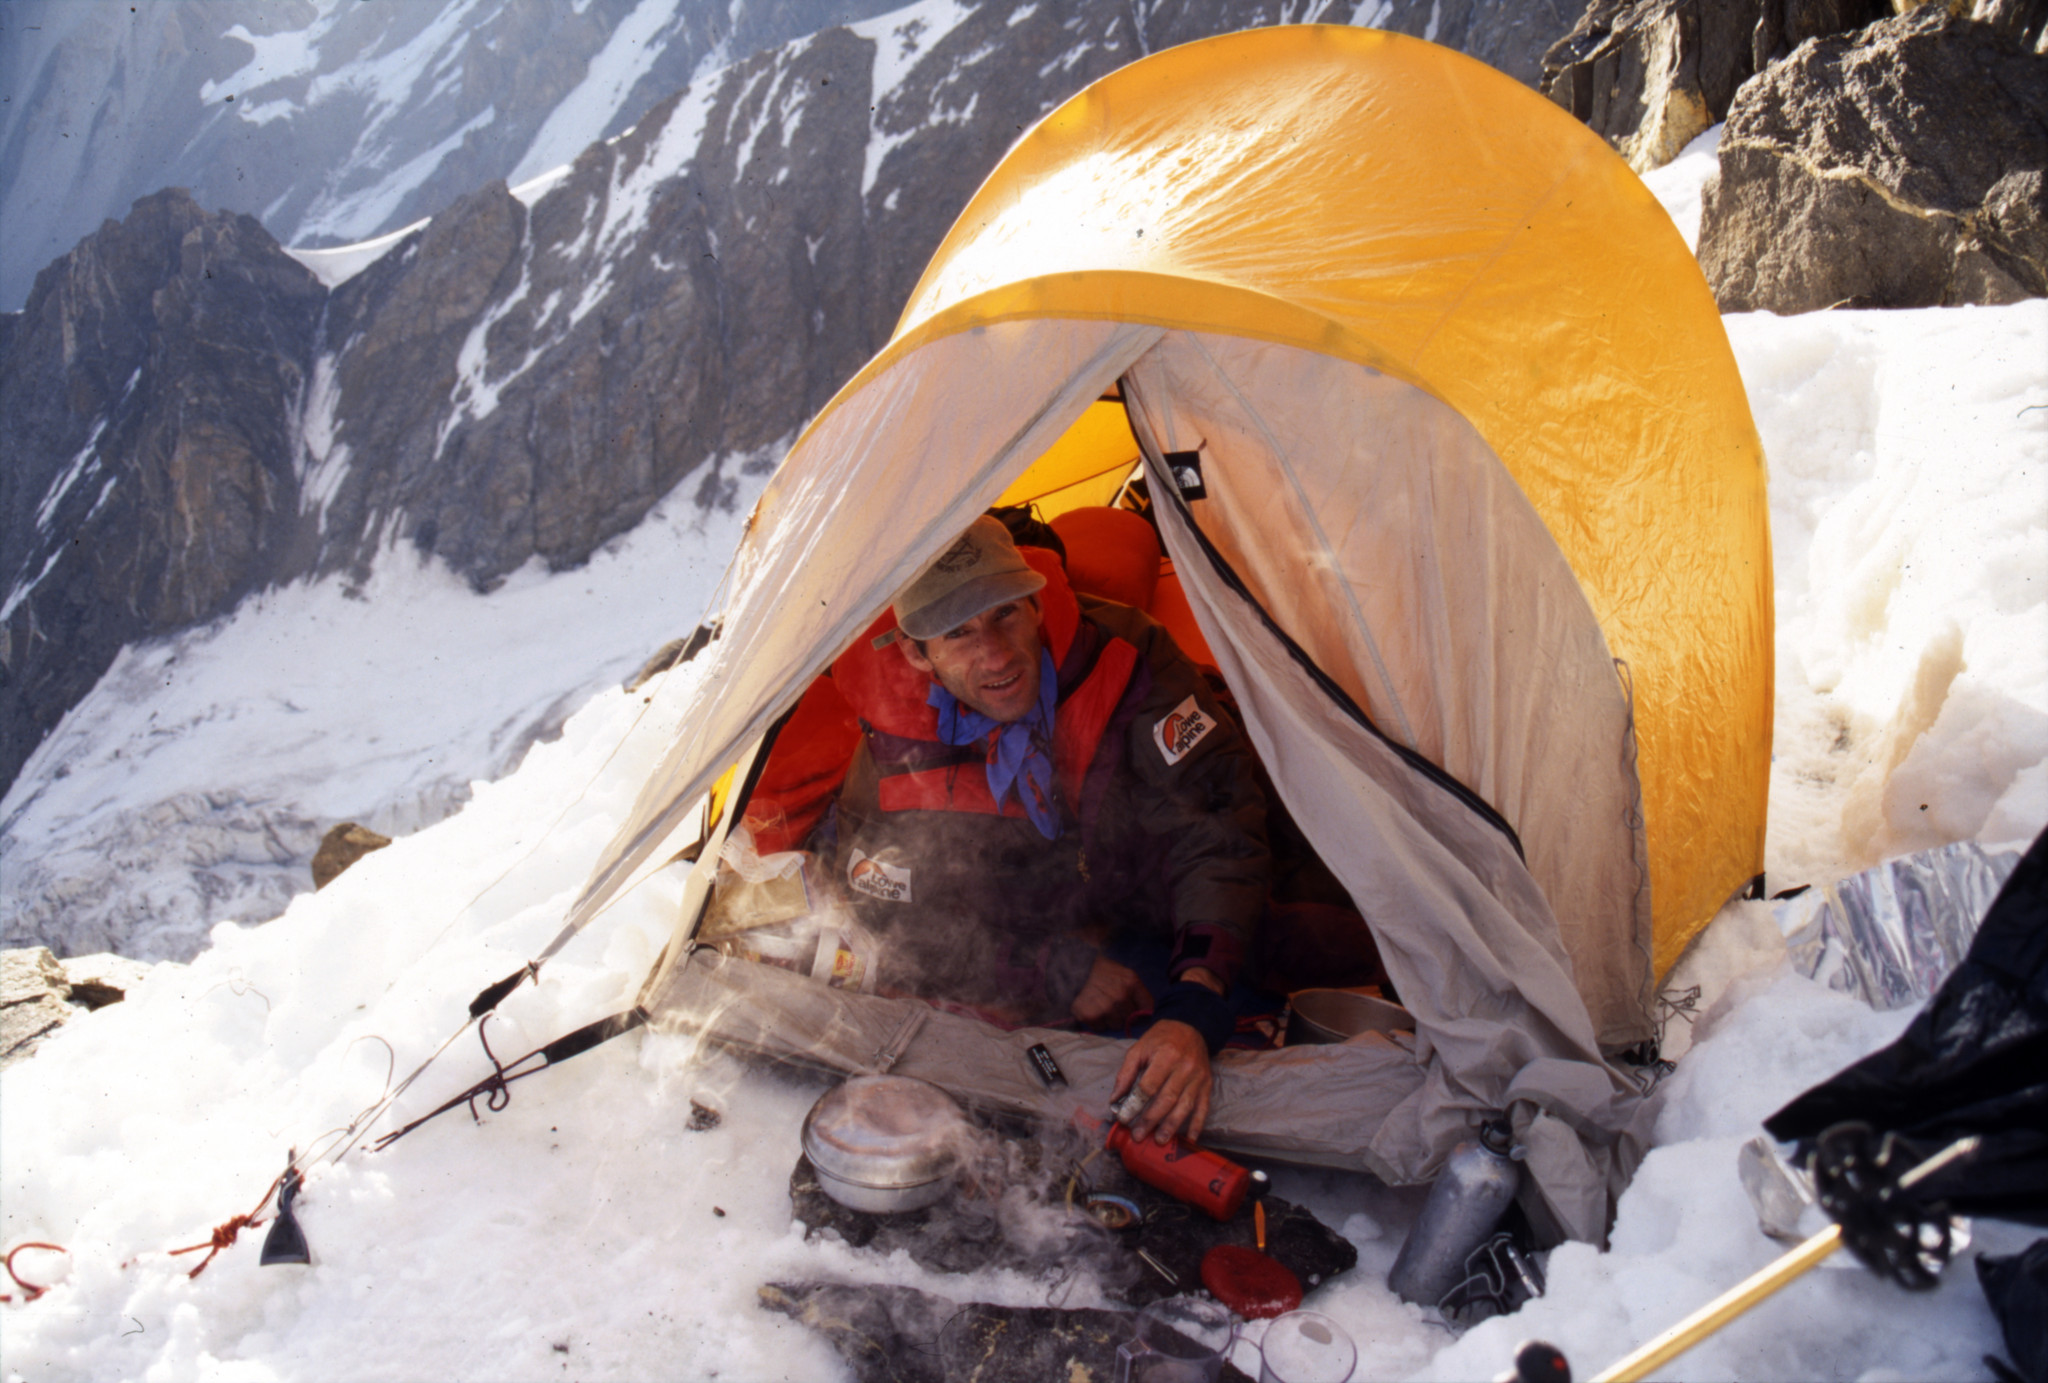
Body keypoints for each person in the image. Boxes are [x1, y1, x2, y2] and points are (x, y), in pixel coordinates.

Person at [823, 515, 1271, 1146]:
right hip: (1025, 938)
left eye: (1005, 614)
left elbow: (1215, 826)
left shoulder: (1128, 658)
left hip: (1150, 912)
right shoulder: (897, 738)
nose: (997, 655)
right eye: (959, 632)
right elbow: (888, 911)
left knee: (1295, 958)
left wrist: (1196, 1005)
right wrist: (1053, 970)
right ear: (915, 653)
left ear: (1037, 605)